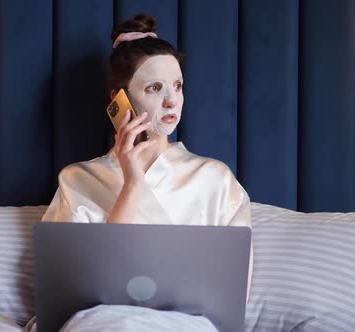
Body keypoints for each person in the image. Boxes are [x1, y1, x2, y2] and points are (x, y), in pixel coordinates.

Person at [39, 13, 252, 331]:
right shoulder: (77, 180)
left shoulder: (216, 180)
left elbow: (233, 294)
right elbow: (69, 296)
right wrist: (132, 184)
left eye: (177, 86)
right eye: (154, 88)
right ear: (119, 101)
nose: (171, 101)